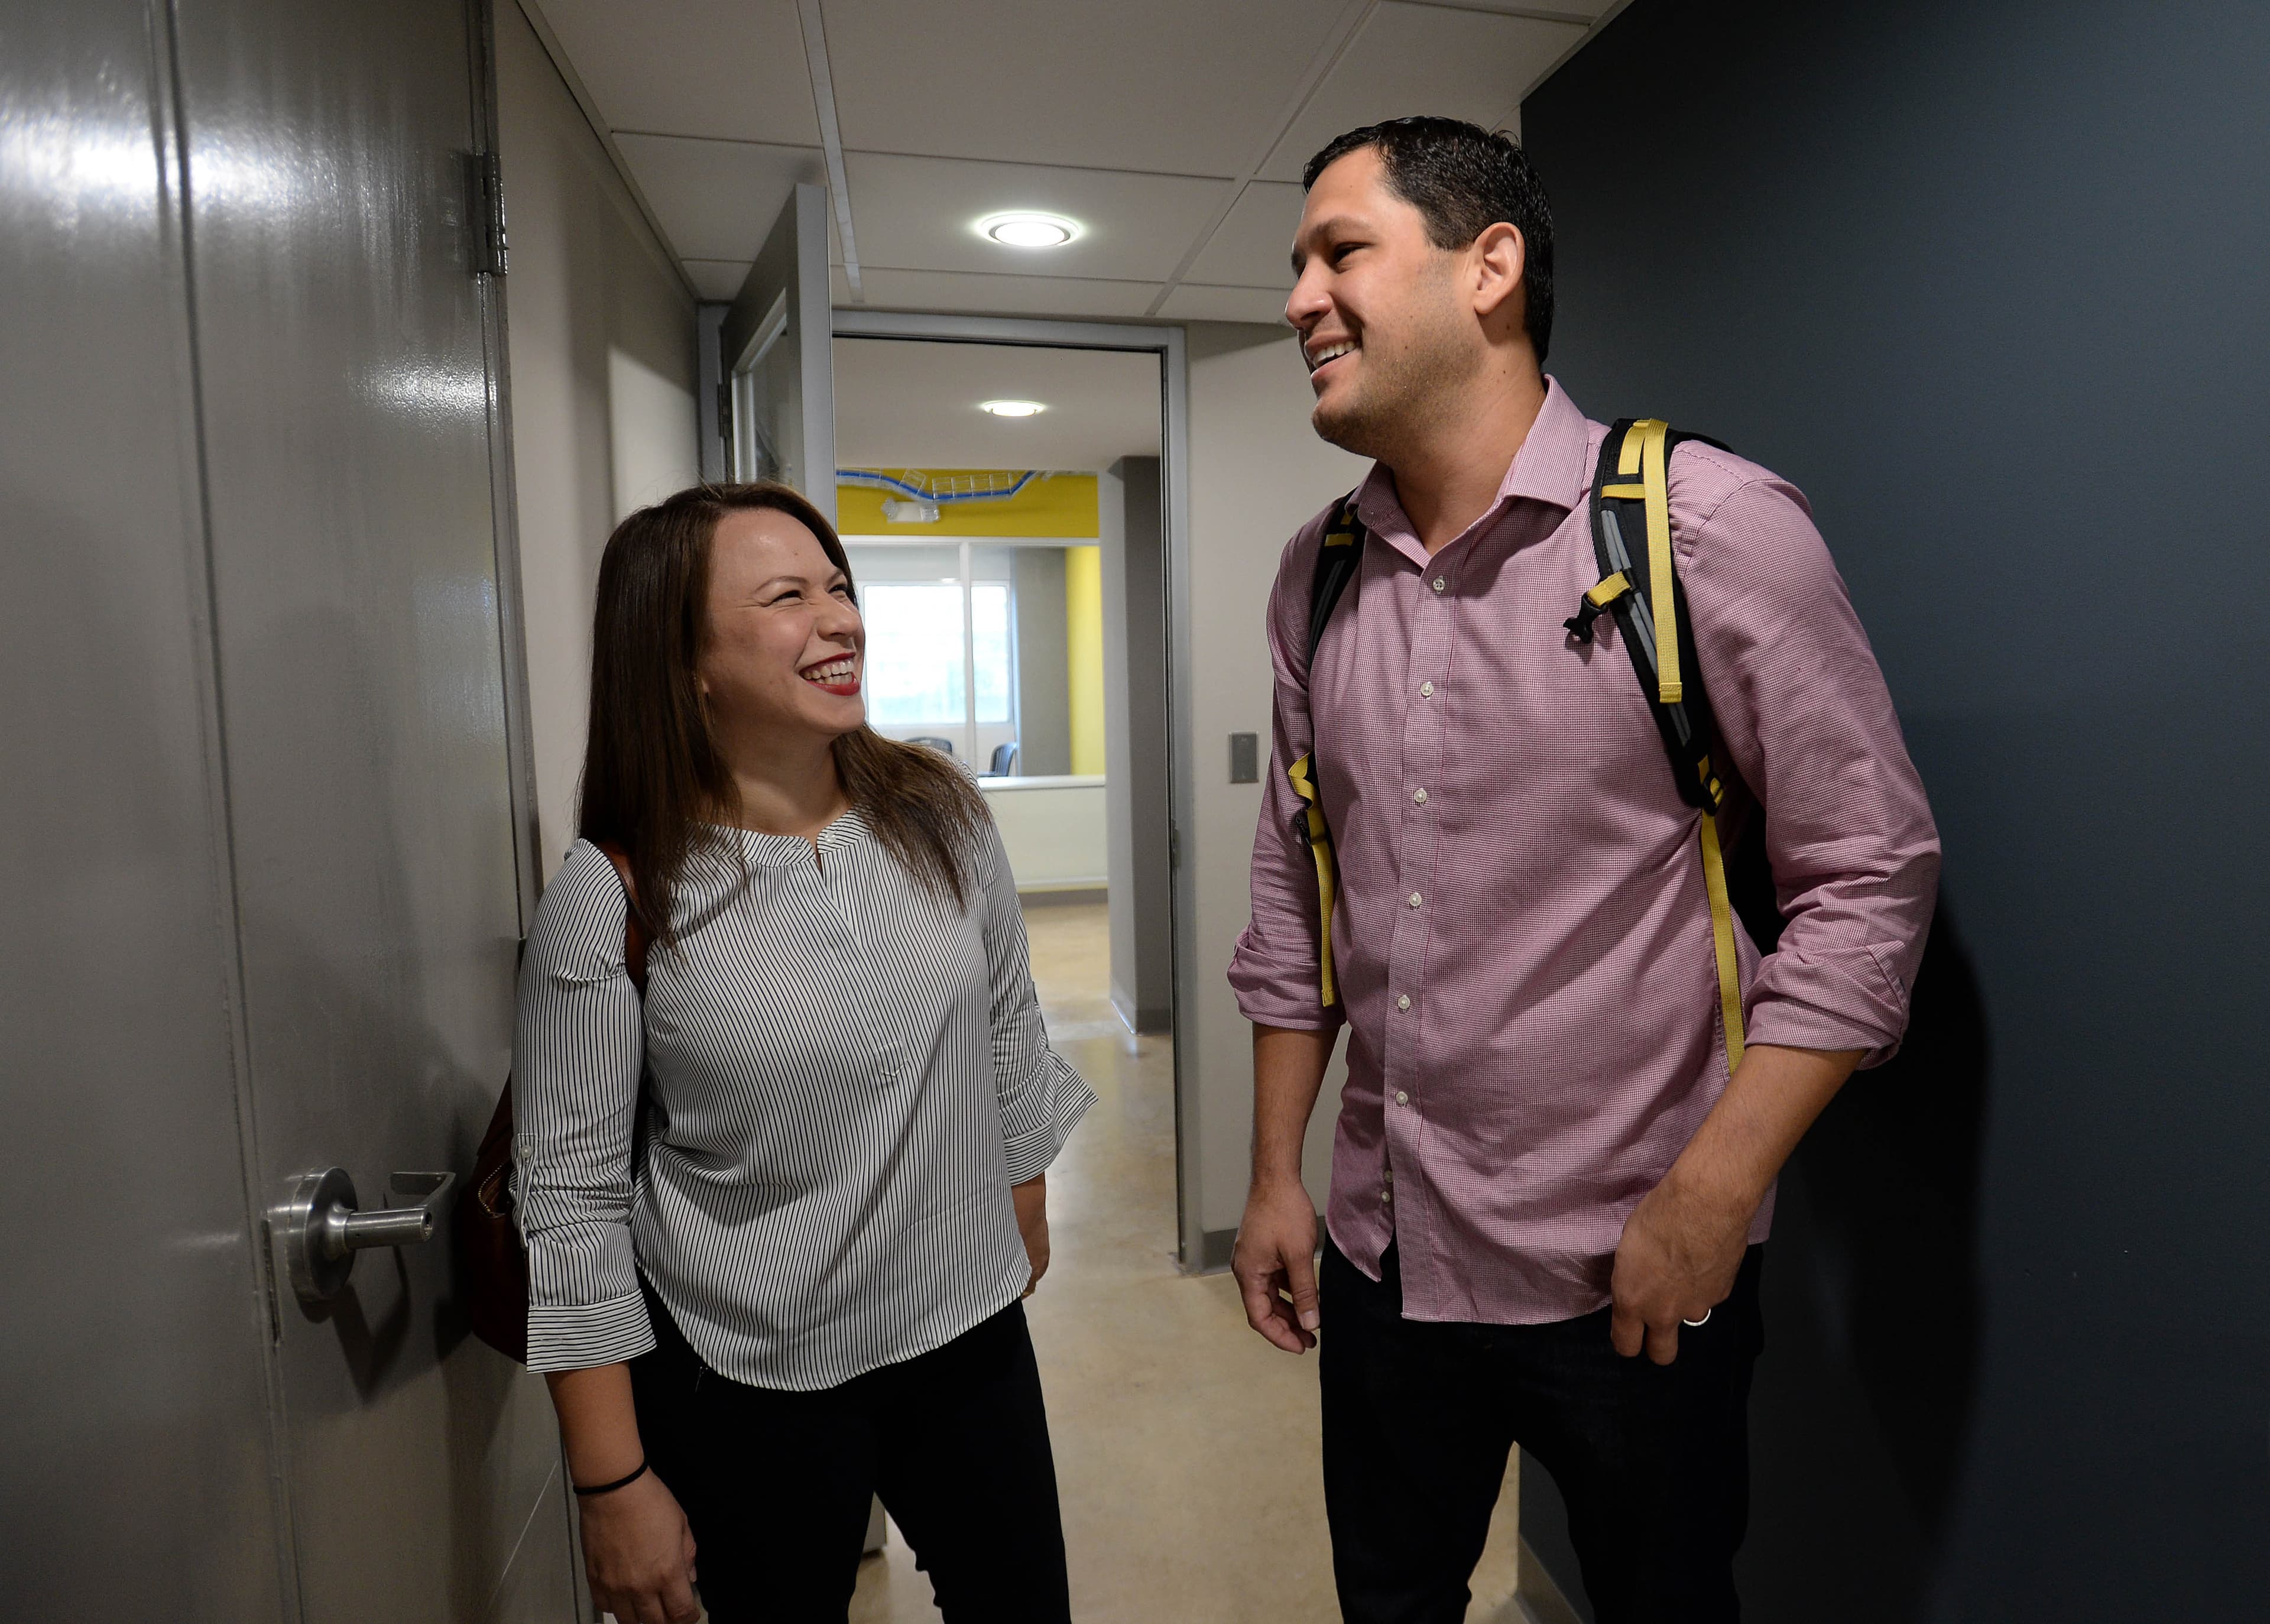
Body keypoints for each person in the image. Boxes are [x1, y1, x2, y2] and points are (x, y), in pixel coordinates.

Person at [1227, 118, 1941, 1623]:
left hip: (1630, 1267)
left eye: (1340, 251)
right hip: (1384, 1249)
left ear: (1490, 268)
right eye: (1296, 262)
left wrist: (1716, 1189)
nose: (1298, 296)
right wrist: (1274, 1172)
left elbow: (1869, 878)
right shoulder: (1319, 572)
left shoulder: (1705, 529)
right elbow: (1298, 889)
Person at [514, 482, 1095, 1624]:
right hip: (746, 1376)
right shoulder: (616, 894)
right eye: (789, 598)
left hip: (969, 1340)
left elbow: (1008, 1034)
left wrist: (1016, 1199)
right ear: (686, 665)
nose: (840, 620)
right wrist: (612, 1482)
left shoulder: (941, 813)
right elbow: (570, 1201)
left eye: (839, 588)